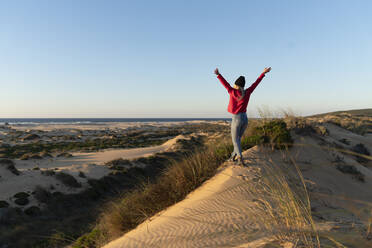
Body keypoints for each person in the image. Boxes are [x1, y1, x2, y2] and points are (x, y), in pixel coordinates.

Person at [214, 67, 271, 166]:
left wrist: (218, 75)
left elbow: (225, 84)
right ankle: (233, 156)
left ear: (236, 85)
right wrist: (263, 73)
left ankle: (240, 158)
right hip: (245, 118)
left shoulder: (232, 91)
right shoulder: (248, 92)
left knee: (235, 140)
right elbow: (256, 83)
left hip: (236, 119)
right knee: (238, 139)